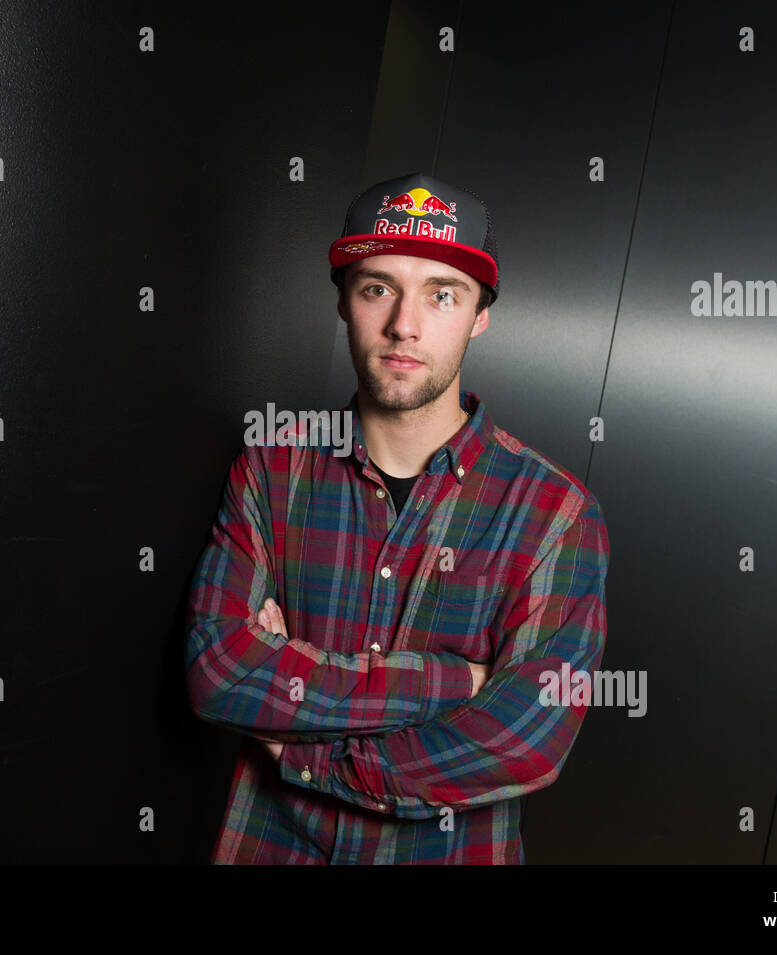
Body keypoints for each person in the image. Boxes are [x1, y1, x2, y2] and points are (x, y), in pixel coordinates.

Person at [184, 172, 610, 864]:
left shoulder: (555, 514)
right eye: (378, 287)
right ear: (345, 303)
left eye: (443, 295)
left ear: (480, 317)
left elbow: (525, 737)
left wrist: (305, 744)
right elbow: (219, 672)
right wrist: (454, 682)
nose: (404, 323)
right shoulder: (272, 465)